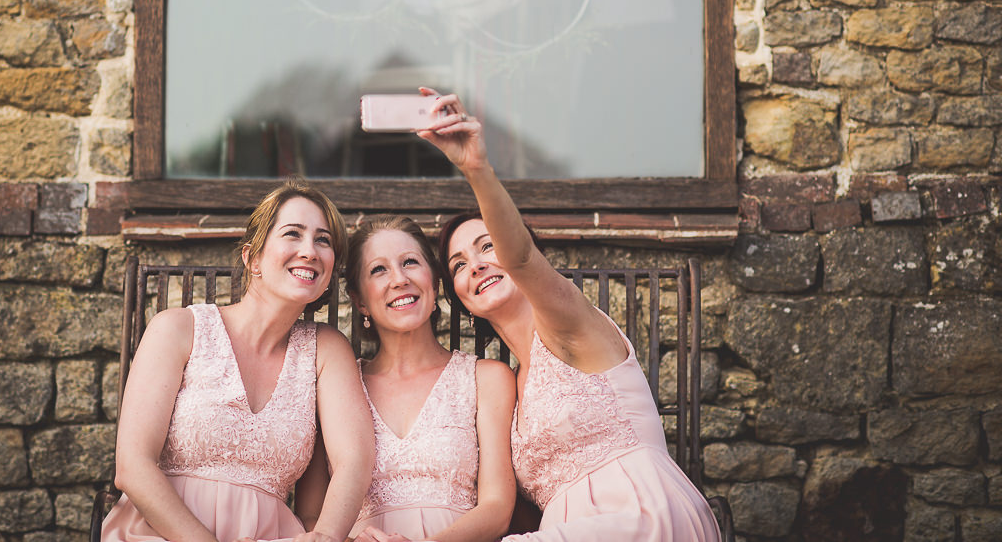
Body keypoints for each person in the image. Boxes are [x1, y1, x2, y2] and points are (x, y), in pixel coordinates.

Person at [417, 90, 721, 542]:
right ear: (460, 298)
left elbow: (518, 259)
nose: (476, 265)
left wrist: (476, 169)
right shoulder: (508, 387)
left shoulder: (570, 324)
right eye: (459, 264)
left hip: (640, 516)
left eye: (486, 246)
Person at [101, 178, 375, 542]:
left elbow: (353, 462)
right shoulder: (178, 329)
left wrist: (324, 537)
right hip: (162, 533)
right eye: (293, 234)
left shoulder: (326, 350)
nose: (310, 250)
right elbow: (132, 467)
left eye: (323, 240)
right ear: (253, 257)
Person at [339, 215, 517, 542]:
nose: (399, 279)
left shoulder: (486, 379)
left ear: (434, 284)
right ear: (360, 300)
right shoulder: (341, 385)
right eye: (379, 269)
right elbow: (315, 515)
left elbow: (498, 507)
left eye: (410, 262)